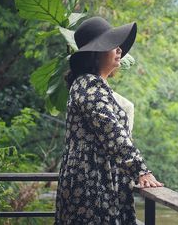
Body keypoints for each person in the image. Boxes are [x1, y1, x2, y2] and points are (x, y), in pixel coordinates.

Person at [54, 17, 163, 225]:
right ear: (97, 53)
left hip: (98, 178)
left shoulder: (94, 86)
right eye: (113, 45)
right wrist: (141, 170)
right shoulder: (88, 86)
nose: (119, 50)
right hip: (90, 183)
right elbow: (112, 133)